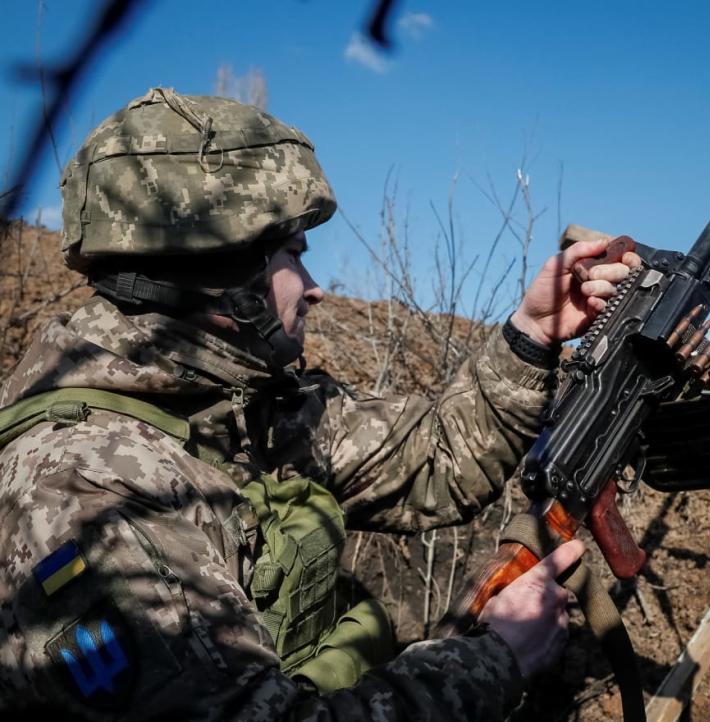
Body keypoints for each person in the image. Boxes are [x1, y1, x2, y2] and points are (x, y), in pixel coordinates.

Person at [0, 88, 640, 720]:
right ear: (224, 270)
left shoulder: (234, 408)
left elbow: (436, 459)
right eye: (294, 259)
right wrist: (497, 658)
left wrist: (531, 335)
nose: (315, 291)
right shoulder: (85, 488)